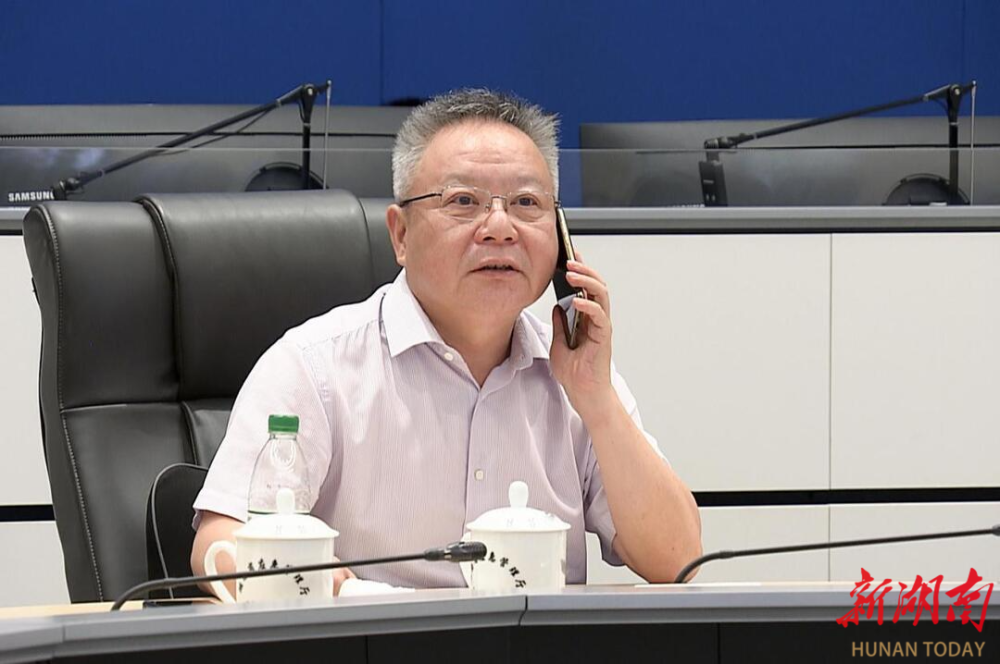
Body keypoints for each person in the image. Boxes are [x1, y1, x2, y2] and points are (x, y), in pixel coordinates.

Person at [191, 89, 702, 594]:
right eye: (463, 202)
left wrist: (597, 400)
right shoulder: (314, 367)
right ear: (401, 235)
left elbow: (677, 561)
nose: (500, 228)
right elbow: (219, 544)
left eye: (527, 203)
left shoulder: (577, 375)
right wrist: (323, 588)